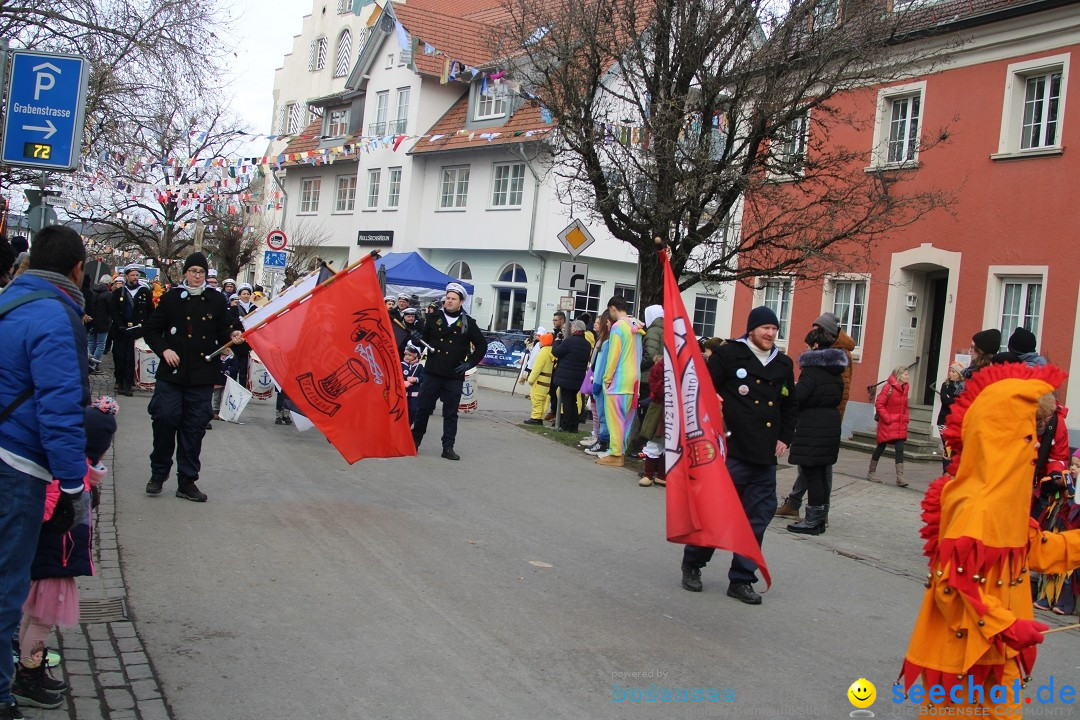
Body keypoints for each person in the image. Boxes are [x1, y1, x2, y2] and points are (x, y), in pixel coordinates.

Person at [898, 363, 1080, 715]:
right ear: (1004, 437)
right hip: (961, 658)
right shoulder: (973, 504)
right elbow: (950, 588)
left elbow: (1034, 549)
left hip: (999, 657)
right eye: (1030, 437)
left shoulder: (1007, 500)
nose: (1034, 451)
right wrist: (1007, 625)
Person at [0, 226, 89, 719]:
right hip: (17, 464)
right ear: (78, 268)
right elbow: (60, 410)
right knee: (7, 584)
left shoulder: (10, 298)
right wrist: (72, 484)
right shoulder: (55, 316)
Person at [681, 306, 797, 604]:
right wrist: (712, 398)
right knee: (714, 512)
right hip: (730, 451)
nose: (770, 333)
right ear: (752, 330)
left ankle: (742, 579)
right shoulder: (730, 355)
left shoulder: (783, 364)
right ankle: (693, 563)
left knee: (756, 519)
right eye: (765, 328)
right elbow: (703, 387)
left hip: (764, 456)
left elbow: (788, 404)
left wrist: (785, 436)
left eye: (774, 328)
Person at [14, 398, 117, 710]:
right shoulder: (65, 478)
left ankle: (30, 669)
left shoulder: (74, 468)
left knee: (34, 616)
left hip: (56, 559)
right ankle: (27, 678)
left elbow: (93, 473)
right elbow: (44, 512)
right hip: (54, 560)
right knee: (41, 622)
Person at [143, 252, 243, 502]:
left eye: (201, 272)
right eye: (193, 271)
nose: (197, 276)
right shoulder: (171, 298)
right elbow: (152, 330)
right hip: (172, 374)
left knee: (194, 427)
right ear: (185, 273)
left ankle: (187, 481)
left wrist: (234, 335)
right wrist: (164, 349)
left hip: (201, 374)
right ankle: (158, 473)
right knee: (165, 419)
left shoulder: (216, 300)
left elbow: (225, 329)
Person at [776, 312, 855, 520]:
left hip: (822, 421)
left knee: (817, 469)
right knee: (812, 468)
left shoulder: (834, 358)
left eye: (817, 329)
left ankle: (818, 512)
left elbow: (836, 392)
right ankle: (800, 506)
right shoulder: (834, 358)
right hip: (825, 419)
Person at [411, 282, 488, 461]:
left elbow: (482, 346)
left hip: (454, 375)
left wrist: (470, 364)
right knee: (423, 409)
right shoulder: (433, 318)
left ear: (461, 302)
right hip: (433, 372)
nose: (449, 301)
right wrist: (415, 339)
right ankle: (415, 441)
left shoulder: (468, 322)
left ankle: (448, 447)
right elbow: (421, 340)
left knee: (450, 413)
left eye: (453, 299)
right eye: (448, 298)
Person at [784, 328, 847, 535]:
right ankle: (818, 519)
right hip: (829, 424)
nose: (806, 348)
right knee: (819, 474)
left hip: (813, 426)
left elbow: (798, 397)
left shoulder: (812, 371)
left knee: (812, 474)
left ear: (816, 346)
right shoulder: (837, 371)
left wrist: (787, 392)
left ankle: (812, 522)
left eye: (808, 345)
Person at [591, 297, 643, 467]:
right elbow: (639, 355)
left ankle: (615, 454)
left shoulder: (618, 327)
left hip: (618, 381)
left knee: (615, 419)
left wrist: (607, 378)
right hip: (633, 381)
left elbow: (614, 356)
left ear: (613, 308)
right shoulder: (635, 326)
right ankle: (620, 451)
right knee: (626, 420)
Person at [109, 266, 153, 397]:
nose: (135, 277)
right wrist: (120, 325)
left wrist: (146, 327)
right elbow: (114, 311)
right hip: (121, 331)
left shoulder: (144, 292)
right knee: (119, 357)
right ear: (126, 276)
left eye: (137, 275)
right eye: (133, 275)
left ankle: (128, 384)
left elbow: (150, 312)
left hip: (137, 331)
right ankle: (120, 380)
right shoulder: (119, 292)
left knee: (131, 359)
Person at [868, 365, 911, 486]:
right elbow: (879, 404)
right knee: (881, 446)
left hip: (900, 423)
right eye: (906, 374)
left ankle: (900, 477)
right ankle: (871, 471)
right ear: (899, 376)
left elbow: (905, 406)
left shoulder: (905, 388)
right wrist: (888, 418)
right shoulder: (888, 388)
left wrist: (906, 417)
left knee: (900, 448)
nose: (908, 376)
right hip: (888, 423)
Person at [551, 320, 591, 433]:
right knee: (573, 401)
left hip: (566, 376)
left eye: (572, 327)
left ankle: (567, 425)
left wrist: (557, 342)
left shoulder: (569, 341)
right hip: (578, 377)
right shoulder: (587, 344)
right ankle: (574, 425)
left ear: (575, 329)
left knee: (567, 401)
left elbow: (556, 352)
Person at [936, 362, 965, 472]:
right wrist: (953, 400)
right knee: (947, 446)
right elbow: (946, 401)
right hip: (944, 421)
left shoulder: (963, 386)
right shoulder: (946, 385)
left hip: (956, 422)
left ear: (959, 374)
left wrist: (952, 400)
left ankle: (952, 471)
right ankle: (946, 472)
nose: (951, 373)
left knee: (954, 448)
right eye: (950, 371)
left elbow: (959, 403)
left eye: (953, 371)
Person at [85, 274, 114, 375]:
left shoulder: (92, 291)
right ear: (109, 283)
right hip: (103, 322)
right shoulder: (108, 294)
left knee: (91, 343)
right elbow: (111, 309)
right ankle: (94, 364)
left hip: (91, 321)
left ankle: (88, 362)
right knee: (101, 344)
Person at [524, 333, 554, 425]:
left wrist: (531, 379)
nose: (539, 342)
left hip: (539, 380)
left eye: (541, 340)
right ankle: (540, 417)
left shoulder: (542, 353)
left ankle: (535, 417)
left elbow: (537, 368)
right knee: (544, 400)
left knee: (536, 399)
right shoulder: (552, 352)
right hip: (548, 380)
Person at [401, 343, 424, 426]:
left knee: (413, 411)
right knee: (403, 410)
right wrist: (403, 381)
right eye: (406, 354)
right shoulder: (401, 365)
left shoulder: (419, 366)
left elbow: (422, 378)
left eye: (410, 355)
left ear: (416, 356)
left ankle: (409, 425)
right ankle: (402, 426)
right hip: (403, 394)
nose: (407, 356)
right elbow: (397, 376)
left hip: (414, 394)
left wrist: (415, 379)